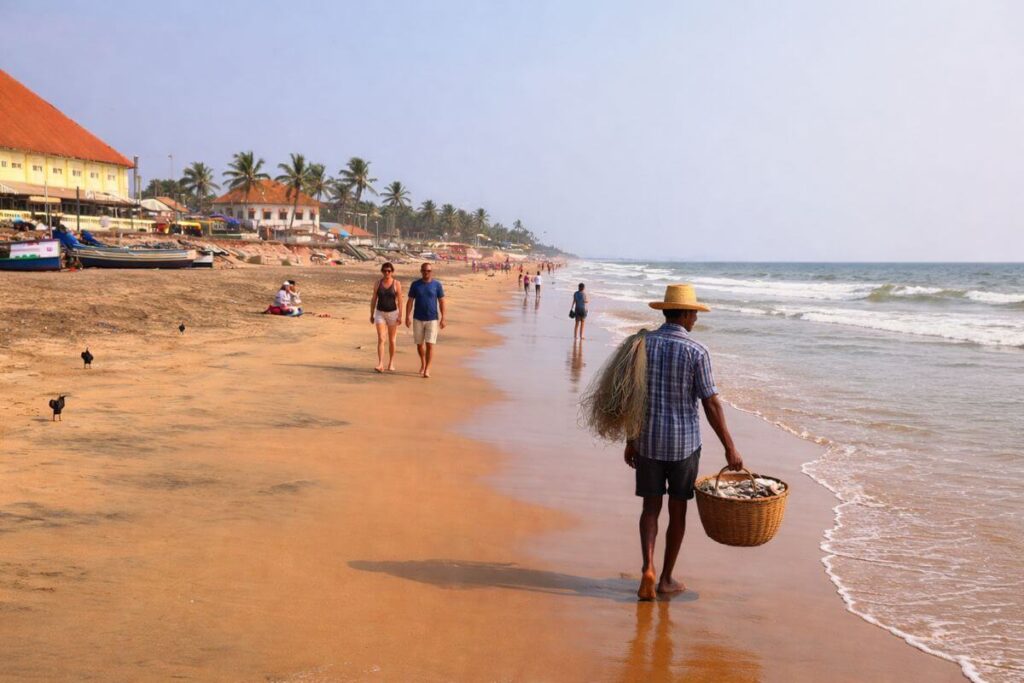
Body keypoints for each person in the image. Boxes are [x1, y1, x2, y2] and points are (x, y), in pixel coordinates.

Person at [625, 284, 743, 601]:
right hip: (684, 445)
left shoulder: (642, 345)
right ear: (687, 314)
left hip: (647, 440)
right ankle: (664, 579)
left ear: (665, 311)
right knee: (678, 512)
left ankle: (647, 567)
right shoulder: (697, 351)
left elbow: (630, 396)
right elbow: (710, 403)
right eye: (694, 314)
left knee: (650, 508)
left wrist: (630, 439)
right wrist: (729, 445)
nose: (695, 320)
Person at [405, 262, 446, 378]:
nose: (426, 273)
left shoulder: (437, 285)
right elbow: (410, 301)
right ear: (421, 271)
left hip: (432, 319)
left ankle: (427, 368)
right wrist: (407, 316)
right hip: (418, 318)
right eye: (424, 270)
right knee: (419, 344)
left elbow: (442, 301)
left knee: (430, 345)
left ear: (431, 272)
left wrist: (443, 318)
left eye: (428, 271)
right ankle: (423, 363)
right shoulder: (415, 285)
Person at [370, 262, 403, 373]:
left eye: (389, 270)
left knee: (392, 340)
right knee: (381, 338)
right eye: (384, 270)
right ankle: (380, 364)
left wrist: (400, 315)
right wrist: (371, 314)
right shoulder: (377, 283)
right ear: (382, 271)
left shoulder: (396, 283)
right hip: (380, 313)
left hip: (393, 313)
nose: (386, 272)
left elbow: (400, 301)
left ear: (392, 271)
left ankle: (391, 362)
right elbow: (374, 299)